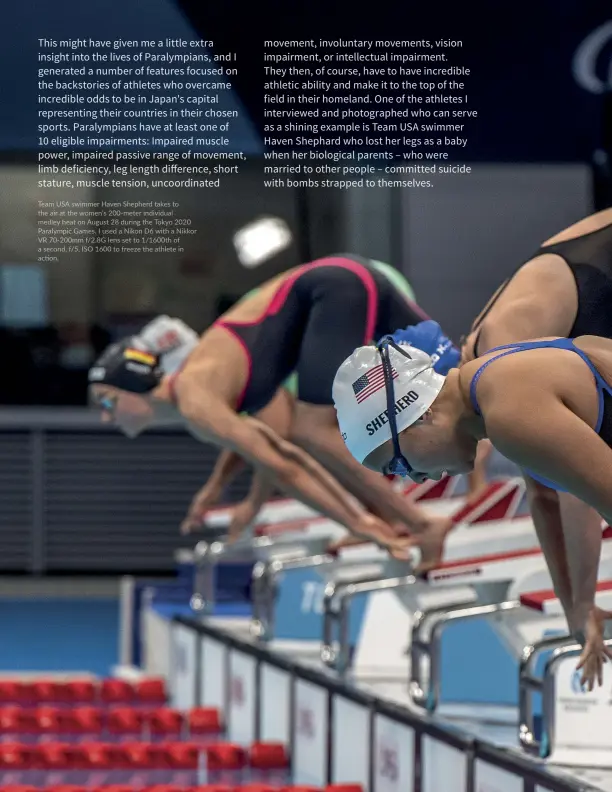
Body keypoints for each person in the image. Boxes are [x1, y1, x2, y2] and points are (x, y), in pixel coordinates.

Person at [88, 255, 452, 561]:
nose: (106, 415)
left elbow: (284, 464)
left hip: (336, 289)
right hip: (349, 280)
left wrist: (359, 524)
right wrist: (217, 489)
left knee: (315, 430)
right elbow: (277, 449)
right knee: (462, 384)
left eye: (108, 401)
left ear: (134, 388)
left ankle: (421, 524)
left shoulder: (196, 401)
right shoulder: (206, 389)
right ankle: (417, 516)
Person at [333, 333, 612, 689]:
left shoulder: (510, 410)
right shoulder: (495, 387)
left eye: (399, 464)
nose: (417, 478)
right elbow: (555, 497)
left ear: (421, 413)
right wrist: (577, 605)